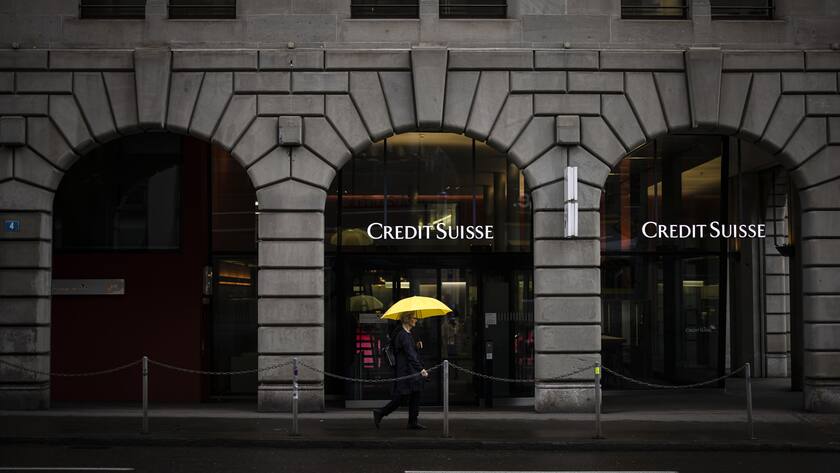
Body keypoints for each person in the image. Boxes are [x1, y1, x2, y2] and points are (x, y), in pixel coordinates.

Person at [373, 311, 429, 430]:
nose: (416, 320)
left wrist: (416, 346)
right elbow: (410, 355)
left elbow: (409, 351)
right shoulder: (403, 335)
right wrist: (421, 369)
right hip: (406, 372)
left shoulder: (407, 333)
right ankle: (380, 412)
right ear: (407, 319)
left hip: (410, 371)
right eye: (414, 318)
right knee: (401, 397)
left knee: (415, 394)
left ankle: (413, 422)